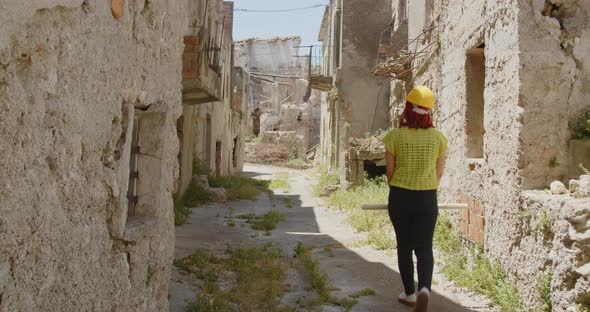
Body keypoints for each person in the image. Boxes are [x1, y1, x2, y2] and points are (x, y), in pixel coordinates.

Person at [383, 86, 447, 312]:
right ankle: (426, 289)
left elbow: (390, 173)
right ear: (429, 111)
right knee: (425, 246)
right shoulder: (439, 138)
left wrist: (403, 187)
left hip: (400, 196)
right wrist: (425, 187)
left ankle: (409, 293)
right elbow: (439, 173)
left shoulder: (394, 136)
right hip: (427, 197)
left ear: (407, 108)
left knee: (404, 245)